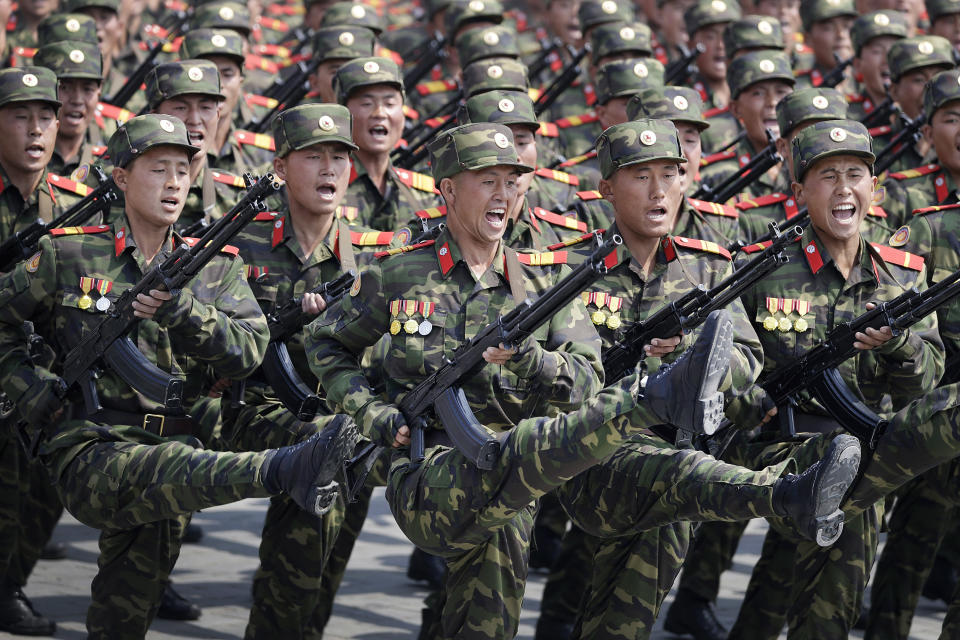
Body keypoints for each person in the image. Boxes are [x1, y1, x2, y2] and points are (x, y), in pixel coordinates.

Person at [305, 120, 743, 639]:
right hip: (430, 464)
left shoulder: (542, 279)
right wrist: (370, 412)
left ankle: (778, 494)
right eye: (486, 180)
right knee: (499, 522)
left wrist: (530, 361)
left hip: (521, 462)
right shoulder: (399, 273)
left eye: (511, 182)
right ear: (447, 189)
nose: (503, 195)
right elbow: (326, 343)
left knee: (653, 502)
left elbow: (586, 376)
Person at [0, 112, 362, 639]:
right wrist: (28, 387)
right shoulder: (71, 252)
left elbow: (247, 353)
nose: (173, 182)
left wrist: (182, 310)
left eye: (182, 170)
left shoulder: (214, 267)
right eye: (157, 169)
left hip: (178, 438)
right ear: (122, 177)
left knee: (128, 602)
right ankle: (281, 470)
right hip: (92, 443)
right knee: (175, 468)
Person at [537, 118, 863, 640]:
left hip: (678, 455)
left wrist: (694, 356)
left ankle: (800, 486)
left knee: (625, 618)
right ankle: (783, 495)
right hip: (592, 457)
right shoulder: (570, 269)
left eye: (671, 174)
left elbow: (745, 358)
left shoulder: (706, 269)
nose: (659, 189)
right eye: (640, 176)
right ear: (605, 189)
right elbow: (558, 377)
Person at [727, 119, 943, 639]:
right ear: (799, 191)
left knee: (819, 578)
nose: (844, 189)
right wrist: (750, 399)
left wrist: (899, 344)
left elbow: (927, 383)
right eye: (827, 176)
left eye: (855, 174)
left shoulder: (903, 274)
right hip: (773, 444)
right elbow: (728, 361)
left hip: (862, 448)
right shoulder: (762, 270)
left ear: (875, 187)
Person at [221, 102, 391, 640]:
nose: (329, 170)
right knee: (312, 507)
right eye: (313, 157)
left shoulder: (372, 256)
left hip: (347, 415)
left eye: (339, 158)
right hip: (253, 408)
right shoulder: (239, 245)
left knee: (330, 548)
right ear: (280, 167)